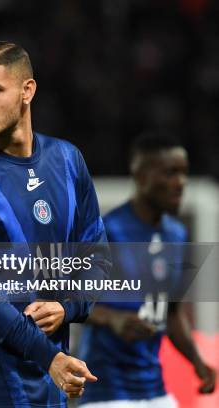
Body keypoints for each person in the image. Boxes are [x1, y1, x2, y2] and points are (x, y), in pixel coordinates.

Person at [0, 41, 111, 407]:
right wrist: (51, 359)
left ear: (27, 90)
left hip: (49, 391)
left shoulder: (68, 161)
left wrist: (67, 306)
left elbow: (100, 262)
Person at [77, 135, 216, 407]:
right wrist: (112, 318)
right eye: (170, 172)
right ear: (140, 176)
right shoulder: (108, 232)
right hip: (107, 392)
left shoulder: (177, 235)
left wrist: (197, 362)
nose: (181, 183)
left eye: (184, 172)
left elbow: (170, 311)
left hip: (155, 389)